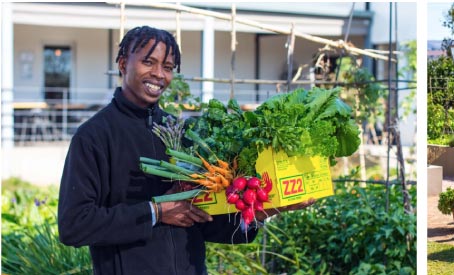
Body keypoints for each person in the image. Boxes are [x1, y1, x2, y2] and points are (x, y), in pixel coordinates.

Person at [58, 26, 311, 274]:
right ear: (123, 64)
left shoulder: (182, 132)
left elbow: (206, 221)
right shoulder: (94, 136)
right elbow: (74, 225)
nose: (159, 74)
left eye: (167, 67)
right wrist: (156, 212)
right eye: (149, 62)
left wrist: (265, 211)